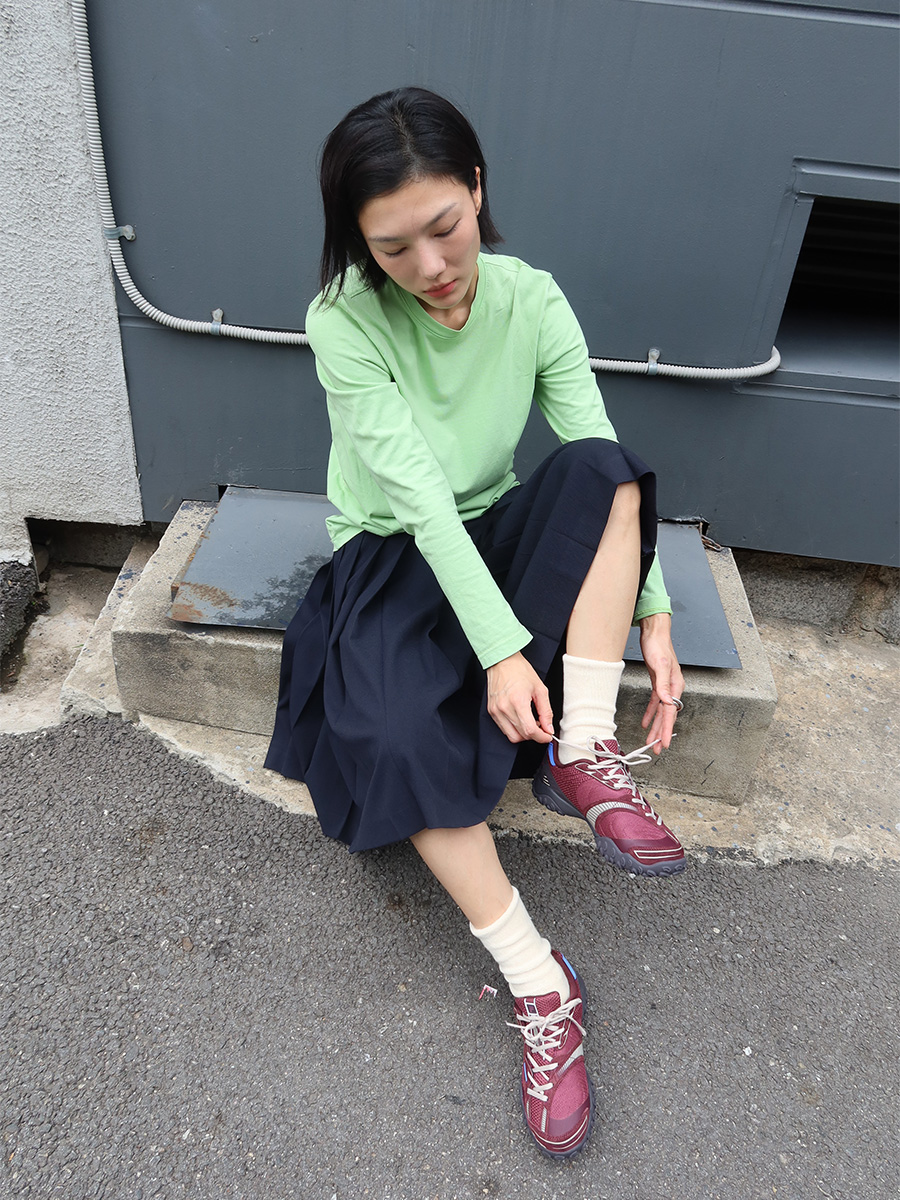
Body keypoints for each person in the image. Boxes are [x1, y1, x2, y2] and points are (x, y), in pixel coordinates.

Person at [265, 86, 686, 1159]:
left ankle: (581, 750)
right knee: (392, 738)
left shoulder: (530, 298)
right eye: (392, 247)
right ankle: (544, 988)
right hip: (392, 555)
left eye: (445, 228)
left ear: (478, 190)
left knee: (607, 466)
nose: (430, 265)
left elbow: (592, 444)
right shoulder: (342, 321)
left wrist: (655, 612)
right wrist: (501, 649)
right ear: (358, 242)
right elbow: (414, 496)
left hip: (493, 531)